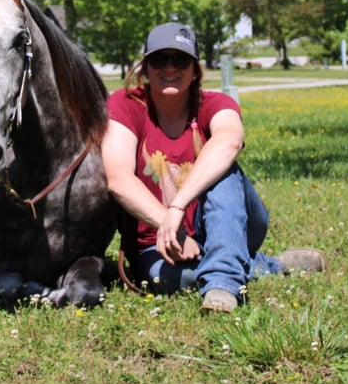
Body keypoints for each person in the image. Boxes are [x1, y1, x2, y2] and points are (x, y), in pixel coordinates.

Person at [101, 22, 325, 313]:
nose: (170, 68)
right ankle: (269, 265)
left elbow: (230, 141)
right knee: (171, 279)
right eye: (159, 59)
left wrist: (177, 208)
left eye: (180, 59)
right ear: (145, 69)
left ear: (195, 70)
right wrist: (171, 229)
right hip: (157, 245)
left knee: (224, 170)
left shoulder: (216, 103)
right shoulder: (125, 104)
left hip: (232, 222)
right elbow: (118, 179)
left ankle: (222, 284)